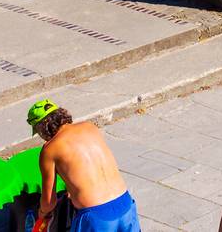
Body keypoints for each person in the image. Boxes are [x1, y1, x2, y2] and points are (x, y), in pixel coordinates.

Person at [28, 99, 141, 232]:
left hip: (96, 217)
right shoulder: (89, 127)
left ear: (41, 128)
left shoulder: (49, 149)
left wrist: (41, 214)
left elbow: (49, 202)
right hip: (125, 204)